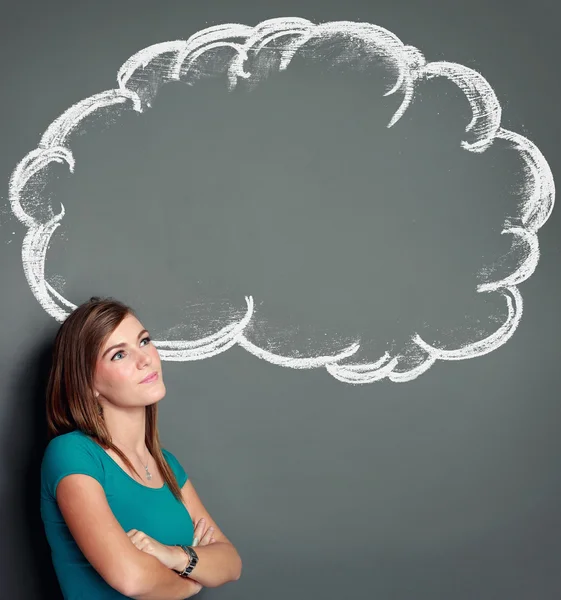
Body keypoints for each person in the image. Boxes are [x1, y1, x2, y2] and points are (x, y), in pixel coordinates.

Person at [40, 297, 242, 599]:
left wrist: (175, 557)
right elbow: (131, 578)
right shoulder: (72, 454)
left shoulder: (167, 465)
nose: (144, 358)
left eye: (144, 341)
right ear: (88, 383)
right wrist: (193, 581)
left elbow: (231, 562)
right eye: (119, 355)